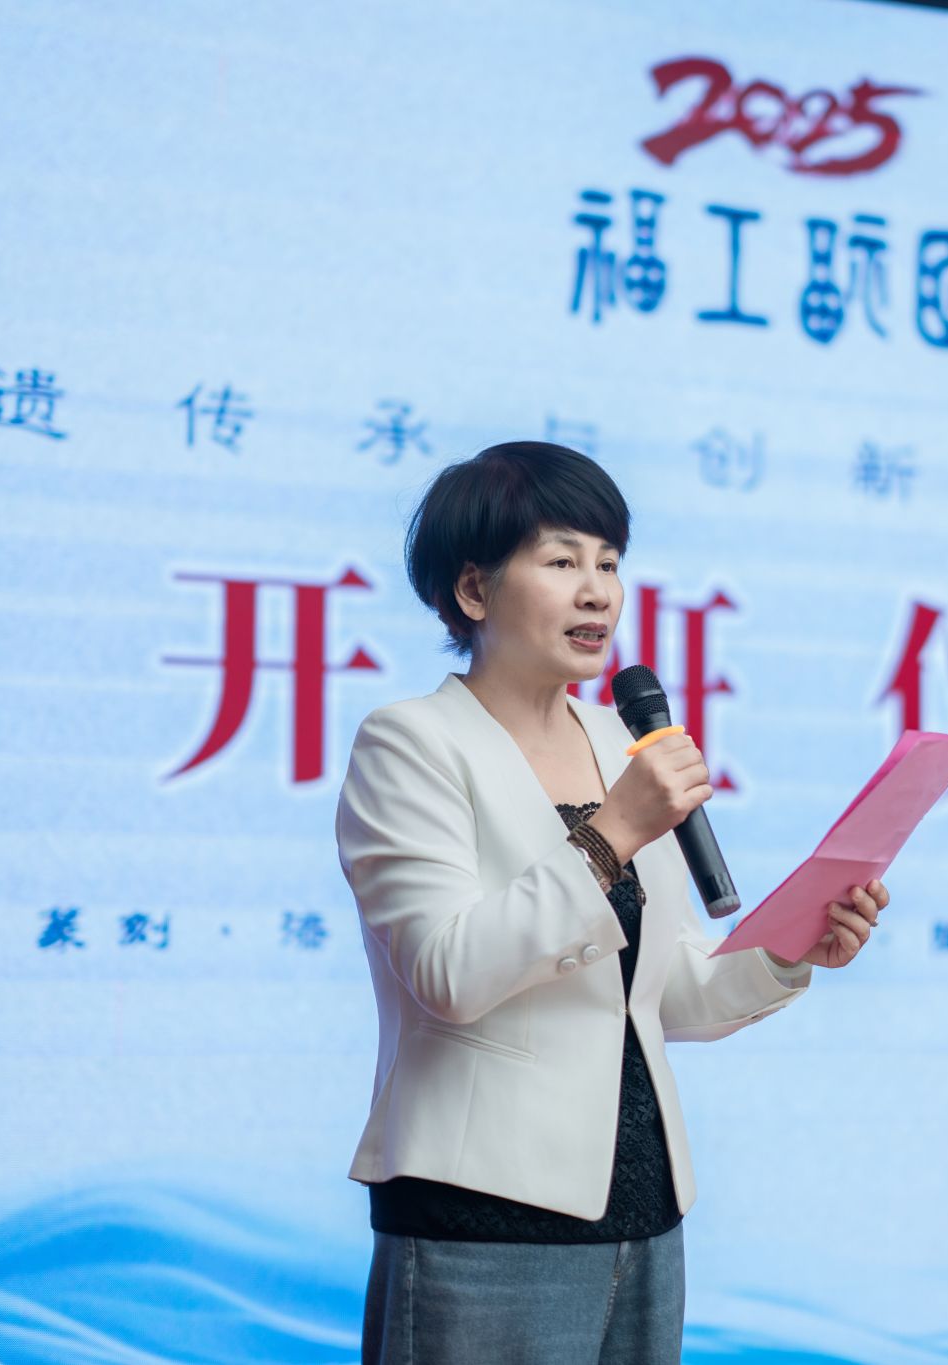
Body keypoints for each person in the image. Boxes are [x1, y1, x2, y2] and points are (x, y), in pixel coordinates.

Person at [335, 441, 888, 1364]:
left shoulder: (619, 740)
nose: (597, 591)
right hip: (484, 1217)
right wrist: (611, 832)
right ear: (473, 590)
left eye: (609, 562)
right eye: (562, 562)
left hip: (643, 1211)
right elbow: (448, 971)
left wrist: (793, 949)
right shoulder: (412, 744)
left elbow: (666, 992)